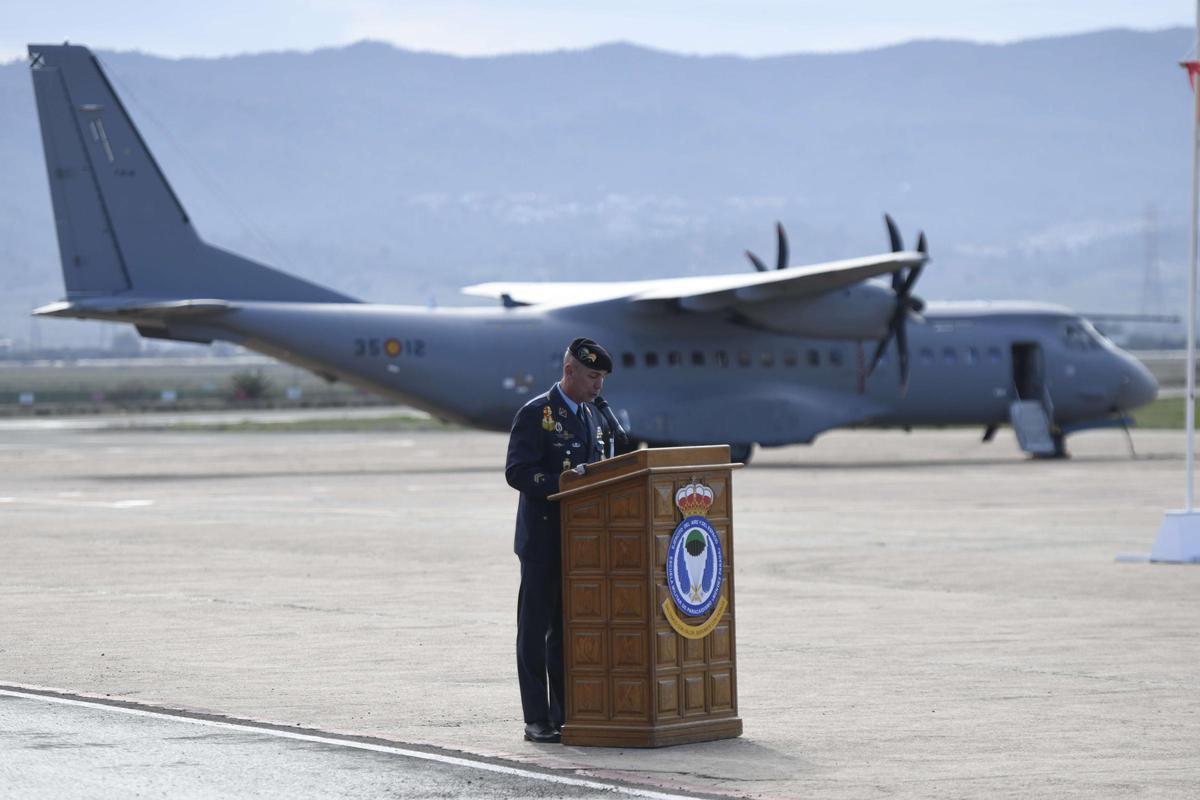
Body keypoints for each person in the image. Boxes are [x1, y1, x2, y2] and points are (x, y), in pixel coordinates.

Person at [504, 336, 617, 744]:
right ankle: (537, 718)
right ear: (569, 371)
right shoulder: (537, 413)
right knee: (534, 632)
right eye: (592, 376)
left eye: (601, 377)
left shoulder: (594, 417)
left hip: (580, 543)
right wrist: (562, 484)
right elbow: (517, 471)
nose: (598, 385)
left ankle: (566, 713)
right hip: (542, 541)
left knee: (568, 633)